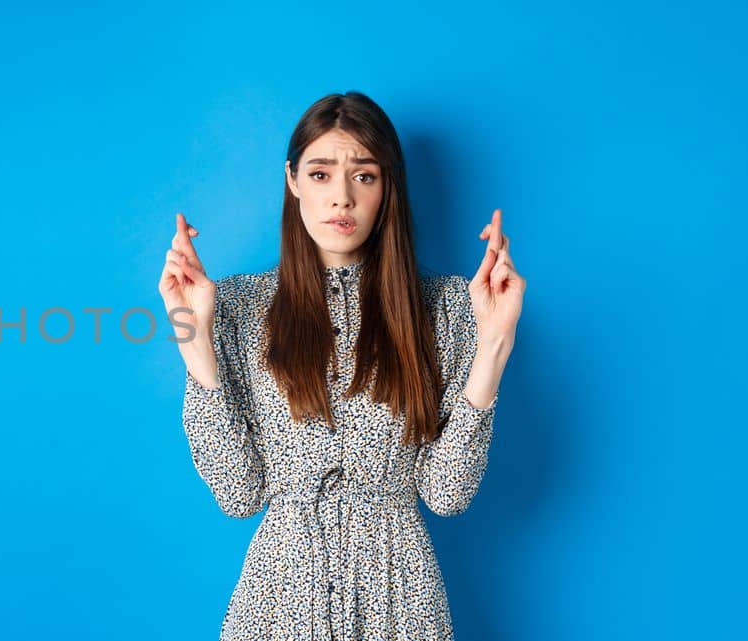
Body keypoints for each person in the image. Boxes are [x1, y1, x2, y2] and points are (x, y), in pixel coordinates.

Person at [156, 91, 524, 641]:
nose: (343, 199)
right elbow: (238, 495)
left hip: (402, 601)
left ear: (387, 188)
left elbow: (447, 495)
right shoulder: (236, 307)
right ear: (293, 181)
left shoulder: (448, 308)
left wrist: (493, 343)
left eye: (365, 176)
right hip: (280, 602)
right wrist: (197, 346)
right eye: (322, 174)